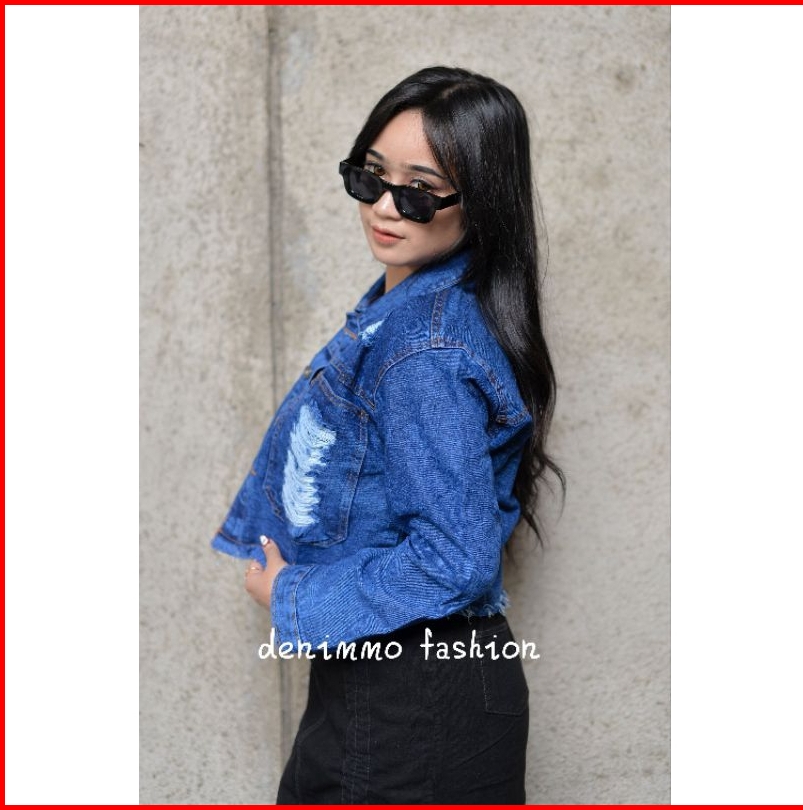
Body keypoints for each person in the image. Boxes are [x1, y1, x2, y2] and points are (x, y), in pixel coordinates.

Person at [211, 66, 563, 805]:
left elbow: (455, 559)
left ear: (482, 200)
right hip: (405, 687)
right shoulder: (417, 312)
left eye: (419, 191)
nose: (383, 207)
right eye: (371, 177)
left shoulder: (422, 346)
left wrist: (294, 594)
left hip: (411, 697)